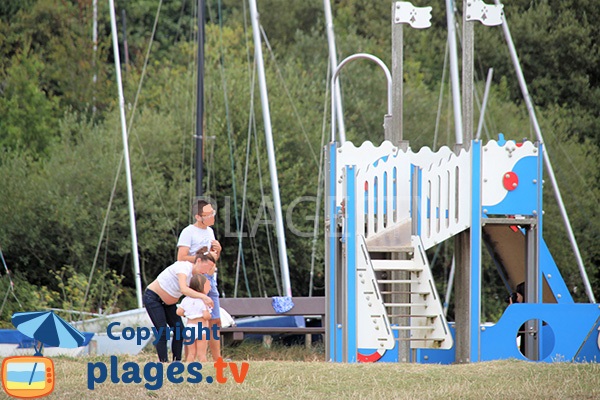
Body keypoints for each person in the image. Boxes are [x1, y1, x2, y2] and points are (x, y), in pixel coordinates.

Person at [143, 249, 216, 362]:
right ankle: (163, 362)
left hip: (169, 304)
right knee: (163, 330)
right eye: (207, 266)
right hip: (153, 298)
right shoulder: (183, 267)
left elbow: (194, 295)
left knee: (180, 331)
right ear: (199, 261)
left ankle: (177, 361)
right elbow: (184, 289)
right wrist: (204, 297)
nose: (207, 271)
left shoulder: (195, 278)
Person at [177, 199, 223, 360]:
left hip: (210, 279)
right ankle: (190, 357)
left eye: (212, 213)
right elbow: (181, 257)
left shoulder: (210, 232)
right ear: (198, 216)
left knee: (215, 320)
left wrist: (217, 251)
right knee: (194, 319)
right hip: (196, 280)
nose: (212, 216)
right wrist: (201, 257)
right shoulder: (188, 232)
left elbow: (212, 257)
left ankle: (217, 358)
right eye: (208, 214)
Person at [177, 274, 212, 362]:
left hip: (189, 328)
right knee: (202, 353)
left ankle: (189, 367)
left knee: (191, 353)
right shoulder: (204, 301)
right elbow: (206, 316)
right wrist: (209, 314)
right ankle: (204, 367)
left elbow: (179, 312)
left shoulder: (186, 300)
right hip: (201, 328)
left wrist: (188, 314)